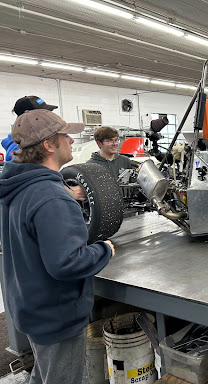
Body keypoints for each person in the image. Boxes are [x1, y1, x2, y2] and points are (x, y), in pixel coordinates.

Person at [0, 109, 115, 384]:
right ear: (49, 145)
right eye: (65, 136)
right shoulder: (52, 196)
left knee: (47, 374)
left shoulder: (16, 188)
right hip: (56, 314)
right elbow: (67, 262)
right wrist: (104, 250)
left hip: (30, 305)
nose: (72, 141)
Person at [4, 95, 86, 200]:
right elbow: (30, 181)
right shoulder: (21, 148)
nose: (49, 115)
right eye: (44, 112)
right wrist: (67, 192)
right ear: (30, 116)